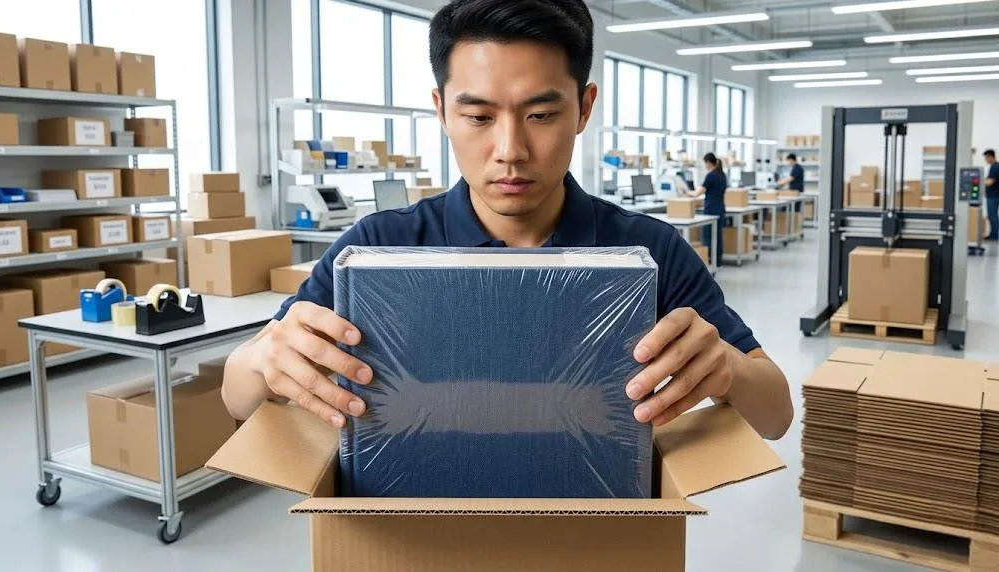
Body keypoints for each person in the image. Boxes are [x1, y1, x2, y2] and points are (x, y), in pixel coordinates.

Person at [220, 0, 793, 441]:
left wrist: (727, 368)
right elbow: (235, 396)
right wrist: (262, 359)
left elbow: (776, 416)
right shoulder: (378, 248)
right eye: (478, 116)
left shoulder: (646, 251)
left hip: (592, 535)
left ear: (584, 108)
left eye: (540, 114)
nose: (510, 150)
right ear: (442, 110)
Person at [686, 153, 727, 266]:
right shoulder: (722, 174)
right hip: (720, 208)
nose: (705, 166)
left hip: (711, 210)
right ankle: (717, 260)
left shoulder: (711, 176)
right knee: (717, 236)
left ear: (708, 162)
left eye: (705, 163)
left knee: (708, 236)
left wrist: (685, 192)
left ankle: (709, 260)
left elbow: (697, 193)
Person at [985, 149, 998, 241]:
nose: (985, 160)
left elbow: (990, 182)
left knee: (992, 215)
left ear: (990, 157)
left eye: (986, 158)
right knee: (993, 215)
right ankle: (994, 234)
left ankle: (994, 235)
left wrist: (981, 181)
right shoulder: (995, 166)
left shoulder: (994, 167)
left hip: (993, 196)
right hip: (994, 195)